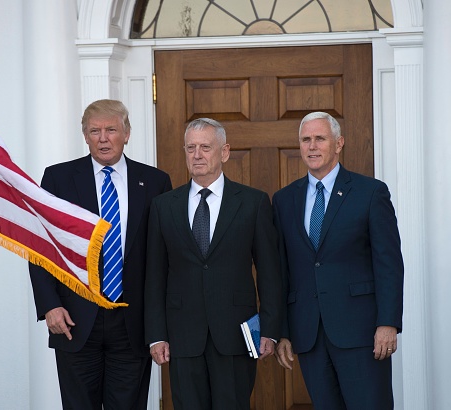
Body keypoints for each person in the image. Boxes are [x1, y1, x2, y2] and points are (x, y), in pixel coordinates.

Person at [28, 99, 172, 410]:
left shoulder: (156, 182)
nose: (103, 138)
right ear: (85, 136)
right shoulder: (58, 179)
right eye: (94, 131)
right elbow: (40, 245)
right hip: (74, 319)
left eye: (111, 130)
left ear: (127, 133)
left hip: (132, 323)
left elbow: (163, 258)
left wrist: (161, 323)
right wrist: (50, 305)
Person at [144, 118, 283, 409]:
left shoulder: (253, 202)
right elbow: (155, 276)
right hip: (182, 336)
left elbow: (270, 273)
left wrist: (270, 328)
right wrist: (156, 335)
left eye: (205, 147)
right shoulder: (163, 205)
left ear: (224, 152)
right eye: (191, 147)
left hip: (236, 334)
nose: (197, 155)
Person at [272, 111, 404, 409]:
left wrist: (388, 323)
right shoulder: (284, 200)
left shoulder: (370, 192)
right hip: (309, 334)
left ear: (339, 143)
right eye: (306, 139)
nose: (312, 146)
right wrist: (282, 331)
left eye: (320, 138)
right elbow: (281, 270)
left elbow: (389, 263)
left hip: (362, 333)